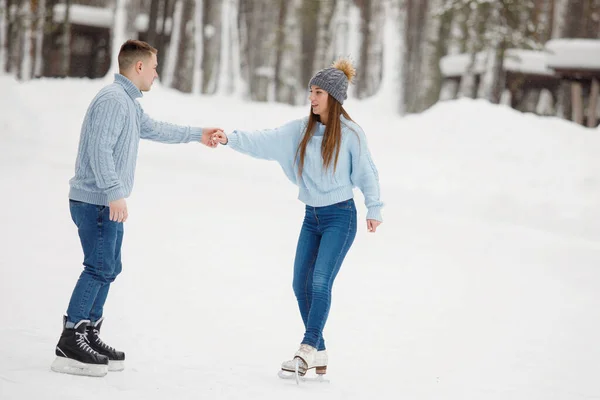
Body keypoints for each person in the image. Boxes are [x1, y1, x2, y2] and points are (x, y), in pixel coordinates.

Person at [51, 39, 221, 377]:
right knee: (98, 267)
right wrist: (114, 192)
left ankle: (87, 332)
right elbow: (100, 149)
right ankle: (70, 339)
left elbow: (154, 128)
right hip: (97, 200)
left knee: (109, 266)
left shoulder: (127, 102)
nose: (157, 74)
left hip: (103, 201)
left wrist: (196, 134)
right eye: (155, 67)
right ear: (139, 66)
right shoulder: (114, 100)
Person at [211, 58, 383, 378]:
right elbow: (266, 140)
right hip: (311, 217)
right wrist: (229, 138)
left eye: (318, 92)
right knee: (299, 283)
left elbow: (367, 172)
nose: (312, 98)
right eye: (311, 91)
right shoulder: (300, 130)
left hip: (340, 218)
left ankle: (306, 348)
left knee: (320, 281)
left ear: (334, 96)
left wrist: (374, 207)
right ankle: (320, 350)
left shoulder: (351, 134)